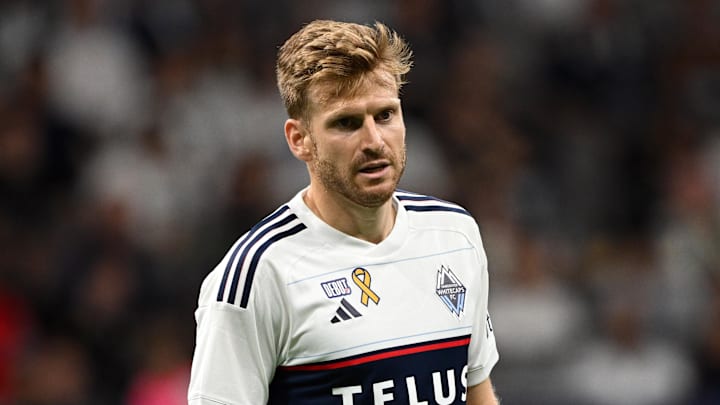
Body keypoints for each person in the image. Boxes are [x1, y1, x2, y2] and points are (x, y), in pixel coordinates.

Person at [188, 20, 500, 404]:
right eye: (347, 123)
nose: (373, 141)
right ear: (299, 139)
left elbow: (476, 390)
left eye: (385, 115)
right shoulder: (258, 274)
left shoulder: (454, 234)